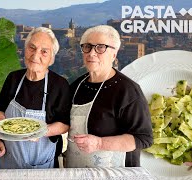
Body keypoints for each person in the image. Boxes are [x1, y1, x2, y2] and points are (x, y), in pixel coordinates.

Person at [65, 25, 153, 168]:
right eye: (87, 46)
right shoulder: (76, 86)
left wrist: (100, 143)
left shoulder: (128, 90)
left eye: (100, 47)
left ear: (114, 54)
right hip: (76, 170)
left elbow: (144, 138)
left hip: (115, 173)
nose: (91, 53)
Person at [0, 27, 71, 169]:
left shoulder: (59, 85)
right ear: (24, 49)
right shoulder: (13, 78)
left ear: (51, 58)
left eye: (44, 52)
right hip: (9, 158)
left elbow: (64, 125)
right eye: (31, 48)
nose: (35, 56)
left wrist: (41, 131)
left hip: (41, 163)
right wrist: (1, 127)